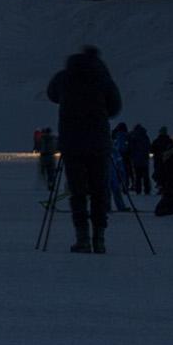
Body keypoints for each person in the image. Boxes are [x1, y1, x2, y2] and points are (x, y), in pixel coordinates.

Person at [47, 46, 123, 253]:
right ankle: (99, 238)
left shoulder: (65, 76)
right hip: (98, 143)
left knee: (78, 192)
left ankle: (82, 239)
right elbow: (115, 107)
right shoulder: (102, 77)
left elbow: (51, 94)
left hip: (72, 143)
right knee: (100, 191)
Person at [108, 123, 131, 213]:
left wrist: (122, 175)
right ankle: (107, 207)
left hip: (113, 174)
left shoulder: (114, 151)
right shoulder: (111, 151)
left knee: (115, 190)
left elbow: (120, 165)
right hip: (108, 174)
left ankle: (119, 206)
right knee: (108, 191)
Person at [128, 123, 152, 195]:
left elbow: (131, 148)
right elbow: (149, 146)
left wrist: (131, 156)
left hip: (136, 160)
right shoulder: (145, 136)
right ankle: (147, 190)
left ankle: (138, 190)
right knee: (146, 176)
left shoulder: (134, 137)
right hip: (144, 160)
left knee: (138, 176)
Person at [150, 126, 173, 191]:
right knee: (166, 174)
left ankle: (161, 186)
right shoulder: (169, 141)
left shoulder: (156, 141)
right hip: (167, 161)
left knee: (159, 174)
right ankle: (165, 187)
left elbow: (151, 150)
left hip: (158, 160)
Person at [36, 126, 59, 191]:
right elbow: (57, 147)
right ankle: (50, 184)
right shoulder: (53, 139)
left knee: (44, 172)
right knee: (51, 172)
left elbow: (38, 147)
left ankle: (46, 185)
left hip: (44, 157)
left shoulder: (42, 139)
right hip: (51, 157)